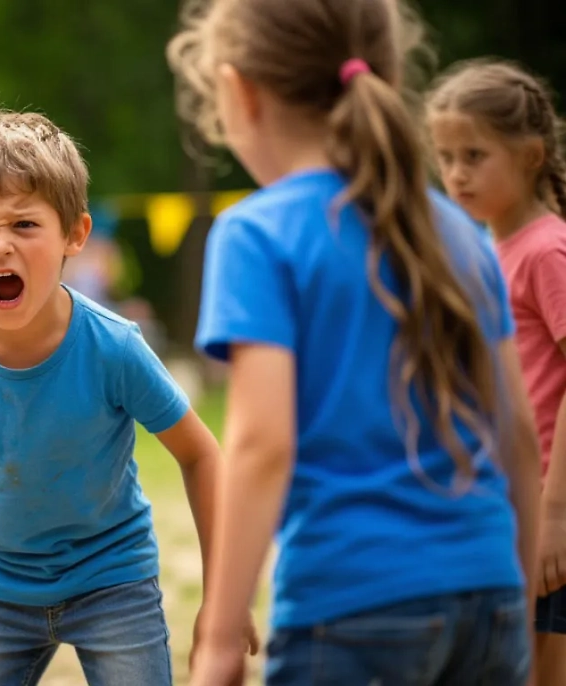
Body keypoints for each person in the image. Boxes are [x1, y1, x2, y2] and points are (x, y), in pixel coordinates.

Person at [166, 0, 543, 683]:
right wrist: (510, 584)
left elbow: (262, 447)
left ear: (237, 91)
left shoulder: (256, 234)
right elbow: (515, 429)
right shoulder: (457, 230)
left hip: (352, 609)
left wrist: (220, 637)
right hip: (489, 594)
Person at [0, 106, 257, 686]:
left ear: (76, 234)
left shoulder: (114, 348)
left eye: (23, 225)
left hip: (114, 582)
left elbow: (200, 453)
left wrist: (224, 597)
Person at [428, 58, 566, 686]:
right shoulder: (486, 250)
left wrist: (556, 514)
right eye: (446, 156)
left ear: (532, 154)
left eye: (474, 156)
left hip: (545, 505)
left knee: (540, 666)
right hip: (501, 502)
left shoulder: (546, 249)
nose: (456, 174)